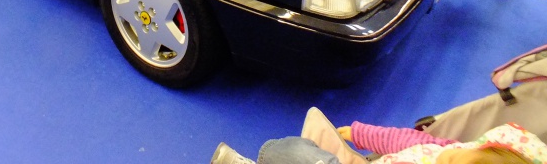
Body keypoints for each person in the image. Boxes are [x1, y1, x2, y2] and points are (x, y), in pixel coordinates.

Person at [211, 120, 545, 164]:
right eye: (458, 154)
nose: (446, 157)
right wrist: (361, 134)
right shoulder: (450, 150)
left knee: (289, 154)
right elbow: (408, 140)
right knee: (292, 148)